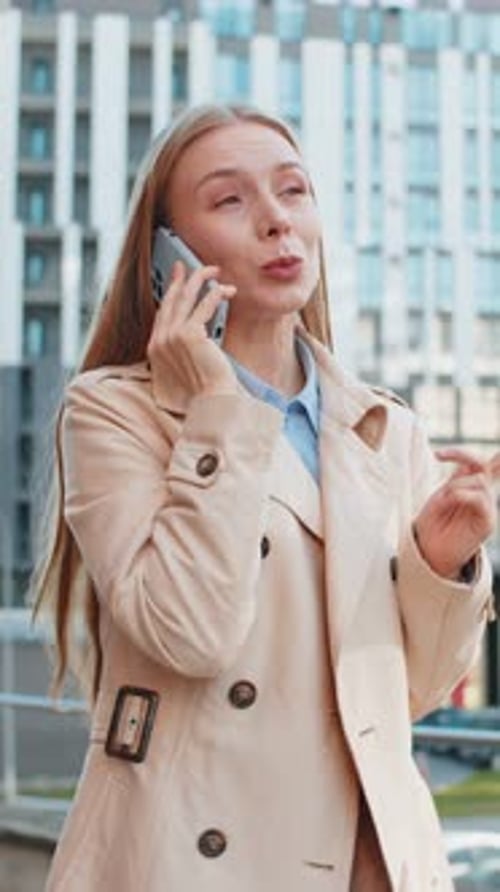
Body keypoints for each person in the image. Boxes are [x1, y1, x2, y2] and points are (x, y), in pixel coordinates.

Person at [33, 103, 498, 892]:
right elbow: (191, 634)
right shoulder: (115, 410)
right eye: (230, 200)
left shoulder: (384, 427)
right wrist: (219, 410)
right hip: (189, 860)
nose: (278, 221)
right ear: (168, 254)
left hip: (371, 857)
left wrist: (439, 562)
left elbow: (408, 698)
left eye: (293, 191)